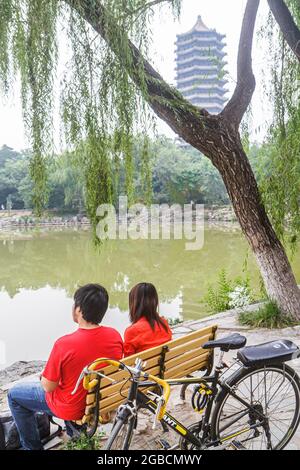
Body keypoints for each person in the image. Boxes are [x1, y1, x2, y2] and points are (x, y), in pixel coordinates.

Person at [8, 283, 123, 450]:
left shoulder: (64, 344)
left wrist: (45, 376)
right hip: (97, 401)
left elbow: (48, 387)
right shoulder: (114, 335)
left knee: (14, 395)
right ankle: (77, 434)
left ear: (78, 310)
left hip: (71, 408)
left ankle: (31, 447)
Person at [124, 282, 172, 356]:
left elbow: (128, 363)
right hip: (166, 366)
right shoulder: (164, 323)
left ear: (134, 303)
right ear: (155, 301)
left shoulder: (132, 331)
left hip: (146, 367)